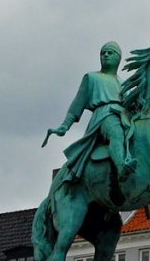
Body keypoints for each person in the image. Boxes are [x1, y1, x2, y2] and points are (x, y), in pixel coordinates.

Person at [43, 42, 137, 181]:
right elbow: (77, 104)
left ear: (118, 57)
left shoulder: (124, 83)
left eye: (109, 52)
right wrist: (65, 126)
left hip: (125, 116)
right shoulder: (92, 78)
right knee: (116, 133)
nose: (105, 55)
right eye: (102, 53)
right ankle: (121, 167)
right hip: (104, 115)